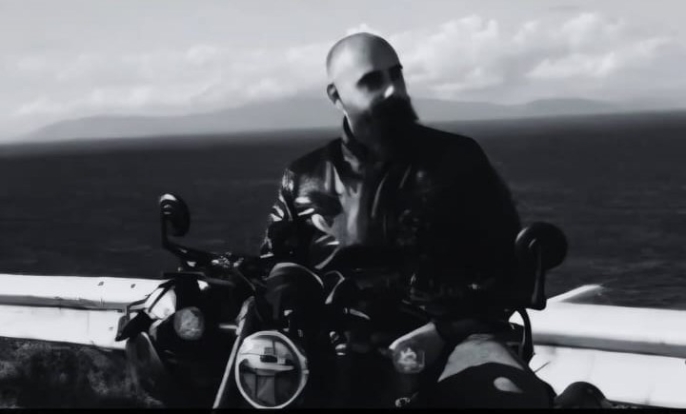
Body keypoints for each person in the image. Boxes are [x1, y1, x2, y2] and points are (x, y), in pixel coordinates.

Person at [256, 32, 553, 408]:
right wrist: (292, 302)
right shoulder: (302, 177)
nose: (392, 90)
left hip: (455, 339)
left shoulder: (458, 159)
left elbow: (507, 267)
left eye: (396, 75)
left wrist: (444, 329)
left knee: (509, 399)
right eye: (372, 81)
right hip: (336, 347)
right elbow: (275, 265)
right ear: (336, 96)